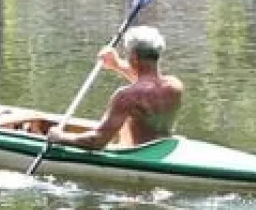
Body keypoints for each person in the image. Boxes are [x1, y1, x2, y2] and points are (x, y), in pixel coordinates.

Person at [47, 26, 183, 151]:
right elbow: (146, 86)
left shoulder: (126, 96)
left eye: (127, 52)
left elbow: (97, 141)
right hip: (162, 149)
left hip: (134, 155)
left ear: (134, 57)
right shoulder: (175, 86)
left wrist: (60, 137)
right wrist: (116, 64)